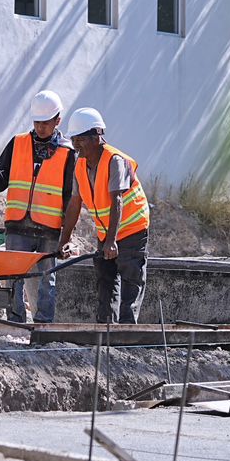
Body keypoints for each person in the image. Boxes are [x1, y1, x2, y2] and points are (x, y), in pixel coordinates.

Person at [0, 90, 76, 324]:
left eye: (46, 123)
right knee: (14, 276)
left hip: (50, 227)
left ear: (58, 120)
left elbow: (71, 196)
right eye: (37, 122)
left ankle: (44, 325)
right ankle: (15, 322)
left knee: (47, 278)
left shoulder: (68, 153)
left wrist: (67, 234)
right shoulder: (18, 143)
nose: (41, 127)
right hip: (17, 225)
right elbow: (0, 177)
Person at [62, 108, 150, 324]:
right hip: (106, 231)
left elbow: (116, 200)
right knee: (105, 283)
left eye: (80, 139)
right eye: (74, 139)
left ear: (96, 136)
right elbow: (75, 203)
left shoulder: (114, 160)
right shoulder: (80, 164)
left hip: (131, 229)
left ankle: (127, 337)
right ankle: (106, 333)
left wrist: (112, 241)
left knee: (131, 284)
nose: (76, 144)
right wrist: (63, 241)